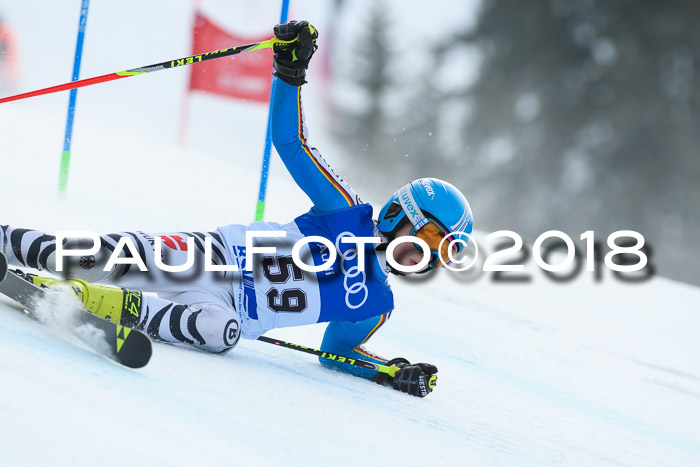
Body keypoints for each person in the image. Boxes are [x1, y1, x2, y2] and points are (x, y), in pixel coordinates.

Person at [0, 21, 473, 398]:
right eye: (428, 240)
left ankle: (76, 297)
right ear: (400, 214)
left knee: (221, 334)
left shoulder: (376, 304)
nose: (424, 258)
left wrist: (387, 370)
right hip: (211, 256)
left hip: (227, 310)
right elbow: (291, 142)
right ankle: (11, 241)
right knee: (100, 256)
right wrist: (290, 74)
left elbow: (337, 354)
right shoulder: (345, 211)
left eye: (439, 255)